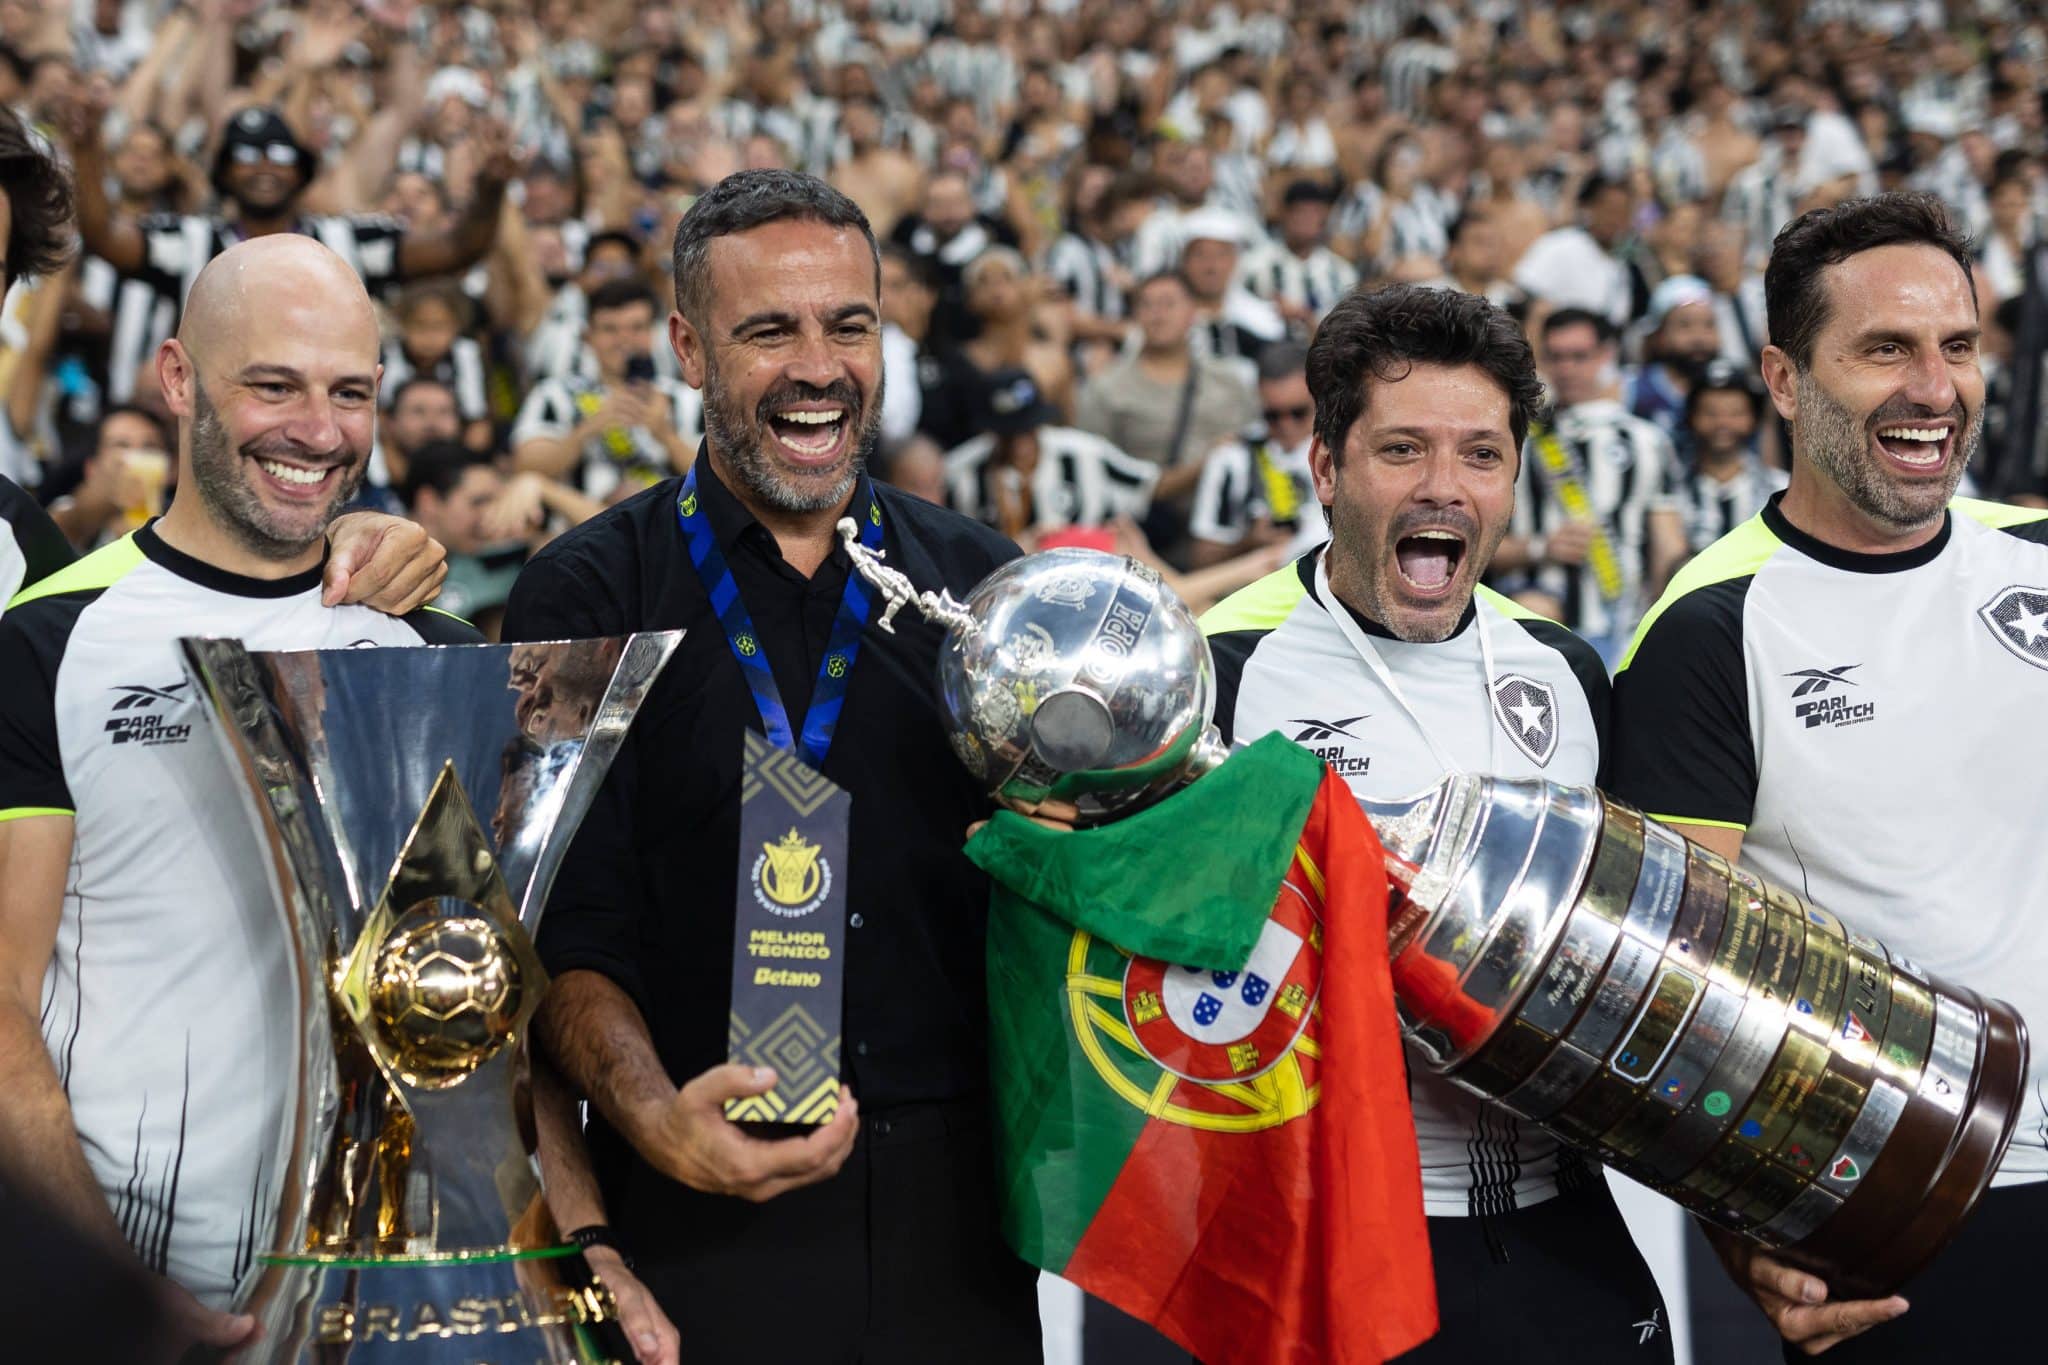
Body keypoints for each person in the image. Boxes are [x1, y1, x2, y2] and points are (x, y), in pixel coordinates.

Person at [502, 169, 1041, 1362]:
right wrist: (657, 1125)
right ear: (689, 349)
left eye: (848, 324)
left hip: (961, 1230)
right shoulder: (586, 591)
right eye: (769, 331)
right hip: (695, 1209)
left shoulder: (980, 583)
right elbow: (556, 932)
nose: (818, 367)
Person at [0, 236, 472, 1353]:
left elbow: (472, 985)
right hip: (130, 1292)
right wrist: (108, 1287)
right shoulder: (49, 642)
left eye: (349, 392)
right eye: (274, 384)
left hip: (383, 1298)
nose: (316, 430)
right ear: (176, 380)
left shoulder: (429, 642)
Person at [1611, 191, 2048, 1362]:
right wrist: (1736, 1225)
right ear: (1784, 378)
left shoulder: (2037, 557)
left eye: (1955, 347)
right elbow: (1669, 991)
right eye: (1883, 350)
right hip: (1912, 1220)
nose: (1932, 386)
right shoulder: (1706, 635)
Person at [1199, 284, 1669, 1363]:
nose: (1443, 490)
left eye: (1480, 455)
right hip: (1328, 1237)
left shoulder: (1565, 670)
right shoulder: (1227, 676)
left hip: (1562, 1224)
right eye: (1402, 450)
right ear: (1326, 469)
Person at [66, 103, 512, 406]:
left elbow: (458, 249)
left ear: (301, 169)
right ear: (223, 171)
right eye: (246, 154)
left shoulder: (349, 241)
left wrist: (490, 188)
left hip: (329, 437)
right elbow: (105, 237)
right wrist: (85, 148)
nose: (264, 166)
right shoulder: (190, 242)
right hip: (214, 436)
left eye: (279, 154)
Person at [1495, 308, 1688, 665]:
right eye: (1556, 357)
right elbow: (1481, 544)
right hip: (1535, 620)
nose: (1567, 368)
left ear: (1606, 355)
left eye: (1579, 356)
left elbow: (1668, 543)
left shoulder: (1647, 441)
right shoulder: (1519, 439)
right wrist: (1541, 549)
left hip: (1623, 626)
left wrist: (1667, 619)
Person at [1074, 271, 1257, 552]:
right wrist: (1203, 466)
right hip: (1144, 536)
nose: (1157, 315)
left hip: (1226, 535)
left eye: (1169, 304)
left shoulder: (1230, 382)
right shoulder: (1106, 389)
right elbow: (1096, 476)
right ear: (1135, 314)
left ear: (1192, 312)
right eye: (1147, 305)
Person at [512, 278, 704, 503]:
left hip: (671, 528)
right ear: (588, 336)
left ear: (655, 333)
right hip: (581, 528)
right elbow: (526, 467)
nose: (624, 340)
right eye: (610, 329)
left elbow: (720, 479)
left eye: (637, 328)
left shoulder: (685, 398)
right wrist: (588, 428)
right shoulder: (555, 395)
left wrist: (665, 434)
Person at [941, 367, 1155, 542]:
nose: (1019, 445)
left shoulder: (1087, 453)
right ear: (990, 432)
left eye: (1027, 430)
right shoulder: (960, 473)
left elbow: (1149, 486)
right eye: (1008, 435)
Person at [1188, 339, 1327, 568]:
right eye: (1272, 415)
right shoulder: (1230, 458)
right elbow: (1200, 558)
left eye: (1298, 413)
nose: (1286, 425)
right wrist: (1248, 543)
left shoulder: (1345, 451)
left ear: (1320, 402)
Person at [1674, 360, 1786, 553]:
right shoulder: (1673, 490)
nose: (1723, 423)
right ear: (1691, 417)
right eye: (1710, 413)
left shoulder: (1781, 489)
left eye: (1735, 413)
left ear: (1754, 418)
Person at [1625, 275, 1725, 439]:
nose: (1698, 338)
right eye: (1684, 325)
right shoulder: (1631, 389)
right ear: (1659, 335)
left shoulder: (1731, 387)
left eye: (1709, 325)